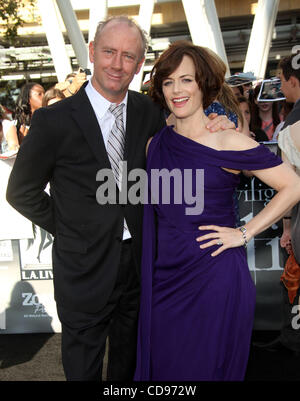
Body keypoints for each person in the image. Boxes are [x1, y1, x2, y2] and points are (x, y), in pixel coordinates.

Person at [6, 16, 235, 382]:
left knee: (129, 366)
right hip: (83, 268)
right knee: (83, 370)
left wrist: (217, 125)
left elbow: (184, 146)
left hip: (140, 264)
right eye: (109, 52)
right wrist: (71, 228)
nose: (117, 64)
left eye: (128, 56)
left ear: (139, 64)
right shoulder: (53, 120)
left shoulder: (148, 113)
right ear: (93, 53)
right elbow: (20, 192)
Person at [134, 41, 300, 381]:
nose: (177, 90)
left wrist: (244, 232)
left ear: (204, 84)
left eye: (186, 80)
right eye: (168, 82)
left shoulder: (228, 141)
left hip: (214, 277)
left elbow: (293, 186)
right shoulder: (156, 145)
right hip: (164, 279)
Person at [255, 52, 300, 354]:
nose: (280, 87)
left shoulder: (290, 131)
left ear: (294, 82)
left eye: (282, 80)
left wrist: (286, 228)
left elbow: (290, 186)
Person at [4, 82, 44, 151]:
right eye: (39, 94)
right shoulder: (15, 126)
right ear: (28, 99)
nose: (44, 96)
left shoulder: (48, 120)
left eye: (44, 93)